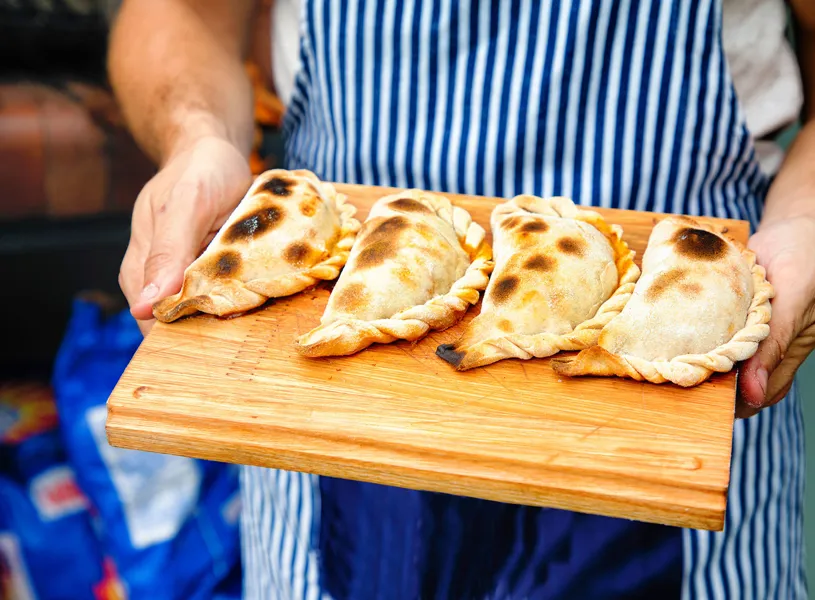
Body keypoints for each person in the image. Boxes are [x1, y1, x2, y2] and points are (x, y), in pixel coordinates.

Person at [108, 0, 815, 597]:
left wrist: (806, 223)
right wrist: (195, 136)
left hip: (679, 423)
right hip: (323, 422)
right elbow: (179, 14)